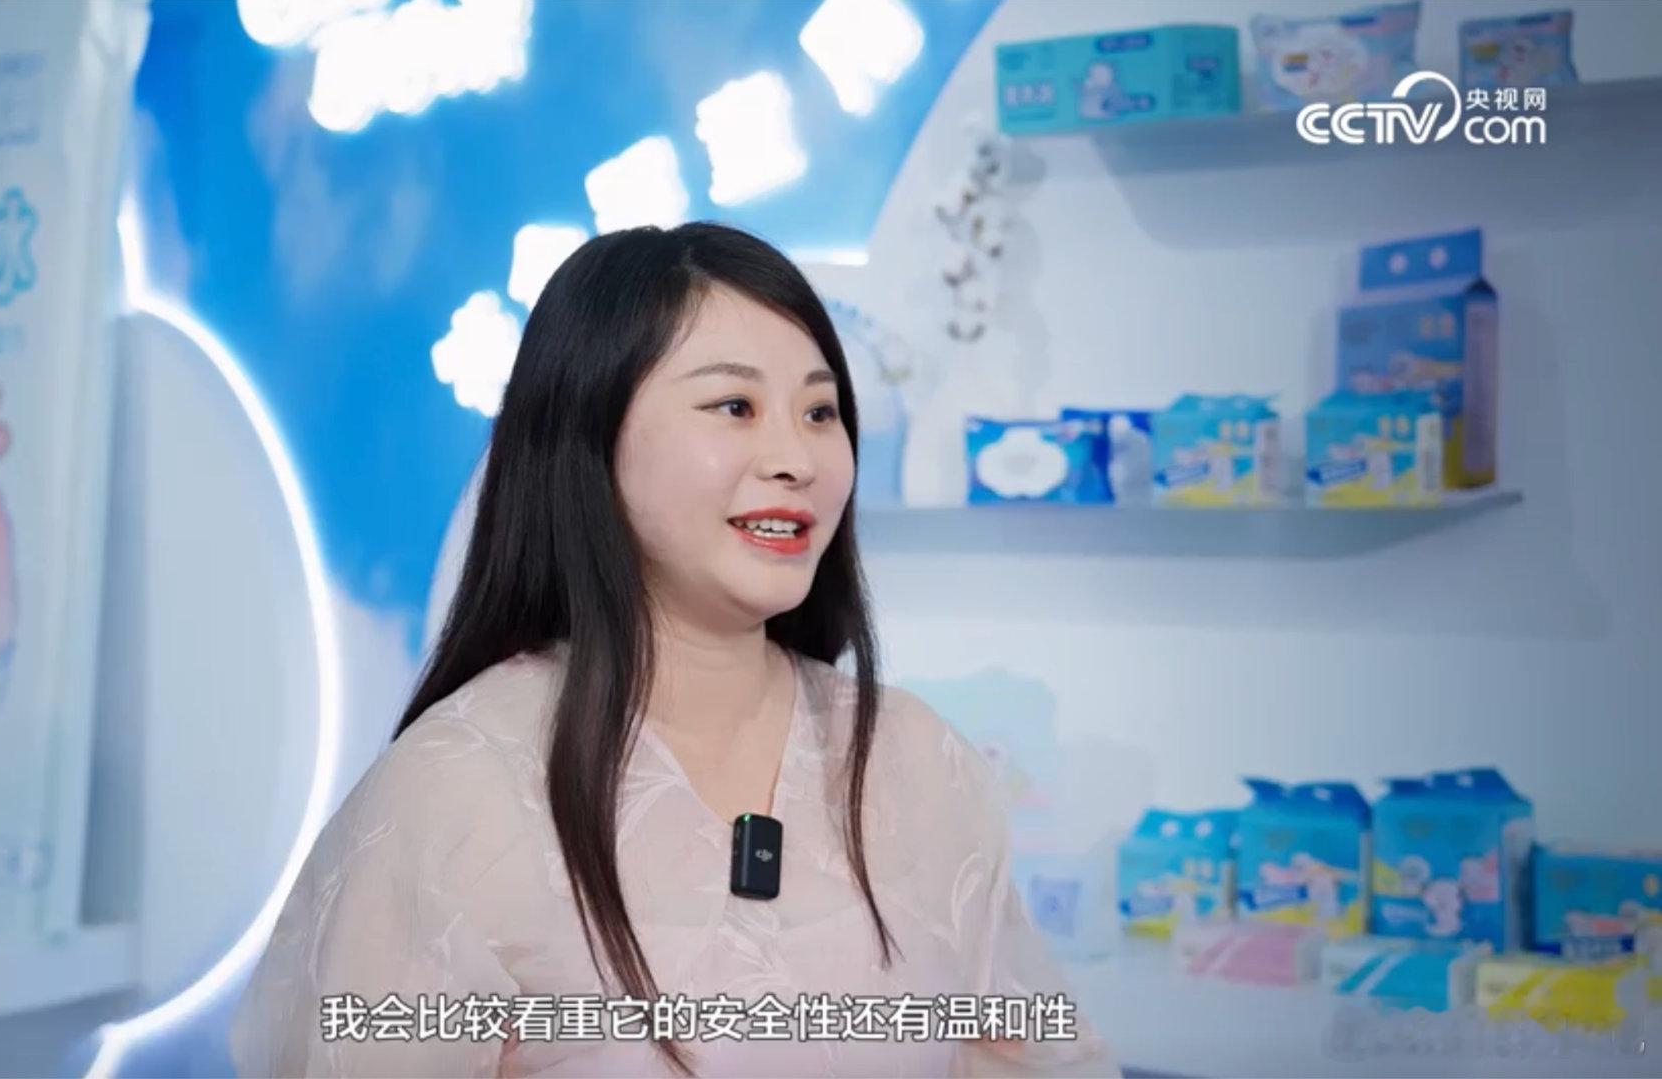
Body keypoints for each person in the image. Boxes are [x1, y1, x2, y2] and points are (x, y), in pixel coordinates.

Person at [230, 222, 1118, 1078]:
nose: (797, 458)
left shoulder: (915, 759)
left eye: (819, 411)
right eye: (734, 406)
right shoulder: (459, 788)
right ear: (590, 435)